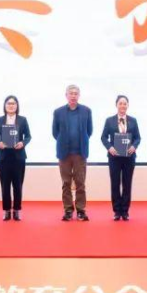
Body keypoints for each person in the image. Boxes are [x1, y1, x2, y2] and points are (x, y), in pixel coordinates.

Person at [52, 84, 93, 221]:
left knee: (80, 183)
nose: (73, 96)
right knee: (66, 183)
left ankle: (81, 210)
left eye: (76, 93)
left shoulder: (86, 111)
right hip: (64, 154)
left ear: (79, 95)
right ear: (66, 95)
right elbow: (55, 132)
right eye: (71, 93)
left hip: (80, 153)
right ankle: (68, 210)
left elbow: (89, 131)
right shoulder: (58, 112)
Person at [100, 95, 141, 221]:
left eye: (125, 103)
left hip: (129, 157)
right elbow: (103, 137)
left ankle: (125, 211)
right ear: (116, 105)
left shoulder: (133, 120)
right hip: (114, 157)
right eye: (120, 103)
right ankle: (117, 211)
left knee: (127, 184)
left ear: (128, 105)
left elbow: (138, 138)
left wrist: (134, 146)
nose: (123, 105)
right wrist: (109, 147)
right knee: (115, 184)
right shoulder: (109, 120)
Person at [0, 95, 31, 221]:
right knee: (5, 185)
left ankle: (17, 210)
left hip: (18, 157)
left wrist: (22, 143)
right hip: (4, 157)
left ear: (17, 105)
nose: (11, 105)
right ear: (5, 105)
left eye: (13, 103)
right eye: (9, 103)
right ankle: (7, 210)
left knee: (18, 185)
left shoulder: (23, 120)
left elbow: (28, 136)